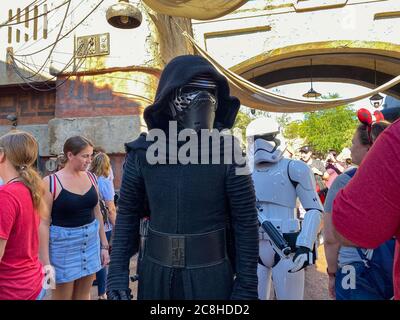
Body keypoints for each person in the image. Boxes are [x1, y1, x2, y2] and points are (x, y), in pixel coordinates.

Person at [106, 55, 259, 300]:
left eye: (210, 91)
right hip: (156, 275)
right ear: (169, 98)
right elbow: (128, 215)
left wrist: (247, 286)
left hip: (211, 276)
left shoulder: (230, 153)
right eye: (192, 90)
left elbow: (246, 221)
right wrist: (116, 276)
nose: (203, 99)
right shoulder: (142, 152)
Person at [246, 117, 323, 300]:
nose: (260, 144)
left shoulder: (294, 168)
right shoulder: (244, 171)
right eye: (256, 138)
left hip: (287, 244)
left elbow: (314, 209)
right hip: (253, 244)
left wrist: (305, 244)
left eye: (266, 137)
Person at [326, 116, 400, 300]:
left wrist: (332, 273)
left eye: (353, 143)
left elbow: (331, 238)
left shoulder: (343, 181)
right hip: (389, 265)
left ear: (369, 147)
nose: (350, 148)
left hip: (356, 270)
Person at [40, 136, 110, 300]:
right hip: (62, 248)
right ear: (70, 155)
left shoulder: (92, 178)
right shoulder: (50, 182)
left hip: (90, 242)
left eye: (91, 156)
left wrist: (104, 246)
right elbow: (42, 223)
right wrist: (45, 262)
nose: (89, 160)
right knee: (62, 297)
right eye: (85, 156)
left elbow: (97, 212)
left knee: (83, 295)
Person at [0, 131, 46, 300]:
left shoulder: (6, 195)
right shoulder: (30, 188)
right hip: (32, 283)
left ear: (2, 155)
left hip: (11, 289)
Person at [89, 152, 116, 300]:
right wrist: (117, 225)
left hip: (88, 222)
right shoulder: (105, 181)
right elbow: (110, 208)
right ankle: (102, 293)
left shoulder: (87, 177)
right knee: (103, 258)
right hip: (103, 225)